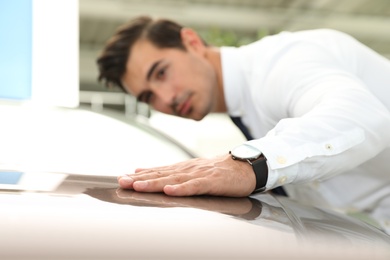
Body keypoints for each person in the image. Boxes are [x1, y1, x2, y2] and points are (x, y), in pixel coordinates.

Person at [97, 16, 390, 233]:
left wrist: (248, 165)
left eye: (161, 73)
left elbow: (361, 115)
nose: (167, 98)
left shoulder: (281, 62)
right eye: (149, 97)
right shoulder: (244, 108)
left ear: (192, 42)